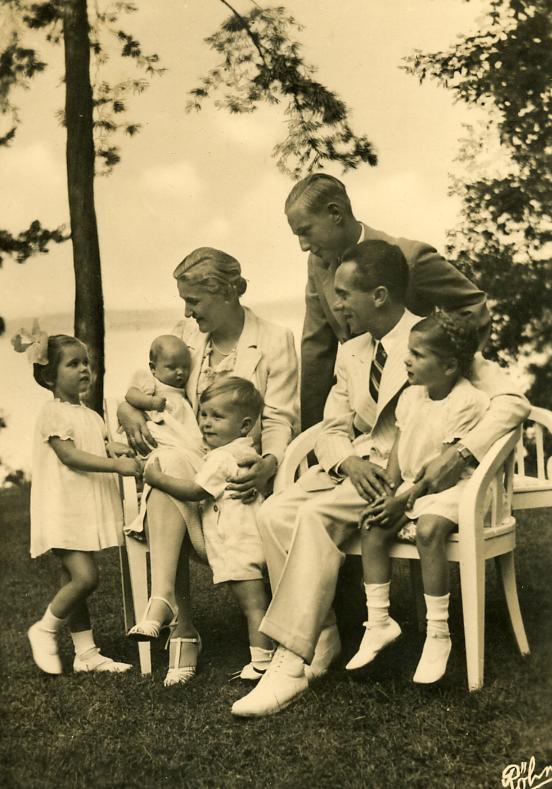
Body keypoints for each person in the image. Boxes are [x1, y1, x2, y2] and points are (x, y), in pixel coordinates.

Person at [231, 239, 529, 717]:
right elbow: (332, 426)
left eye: (345, 293)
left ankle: (289, 661)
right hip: (358, 469)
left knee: (312, 517)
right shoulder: (351, 352)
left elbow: (512, 402)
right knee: (272, 512)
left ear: (381, 296)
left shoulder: (436, 337)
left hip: (404, 473)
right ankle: (323, 634)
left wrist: (460, 453)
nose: (336, 303)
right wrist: (346, 460)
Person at [118, 247, 298, 686]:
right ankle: (177, 621)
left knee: (165, 476)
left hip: (236, 475)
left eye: (194, 301)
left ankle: (173, 618)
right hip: (191, 464)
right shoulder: (186, 335)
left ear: (226, 295)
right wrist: (130, 414)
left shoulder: (273, 339)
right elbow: (146, 387)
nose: (186, 311)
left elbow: (278, 418)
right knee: (168, 465)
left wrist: (269, 464)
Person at [285, 172, 491, 497]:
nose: (303, 246)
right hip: (358, 421)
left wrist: (449, 376)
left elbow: (472, 305)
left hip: (419, 423)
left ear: (335, 214)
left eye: (306, 231)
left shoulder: (410, 257)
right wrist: (320, 445)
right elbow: (317, 348)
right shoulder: (319, 265)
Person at [347, 312, 489, 684]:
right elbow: (397, 450)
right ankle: (378, 622)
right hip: (413, 486)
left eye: (418, 355)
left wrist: (405, 497)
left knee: (428, 530)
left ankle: (438, 633)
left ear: (448, 365)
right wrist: (388, 493)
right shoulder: (411, 397)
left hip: (456, 489)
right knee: (373, 525)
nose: (407, 360)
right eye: (407, 352)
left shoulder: (466, 401)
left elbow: (444, 472)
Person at [11, 327, 142, 675]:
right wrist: (116, 465)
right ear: (50, 376)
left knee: (76, 580)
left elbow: (99, 446)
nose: (84, 369)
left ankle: (86, 653)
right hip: (62, 510)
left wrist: (119, 449)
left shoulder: (90, 414)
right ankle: (44, 629)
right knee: (86, 578)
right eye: (73, 364)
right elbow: (70, 456)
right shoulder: (53, 414)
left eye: (86, 362)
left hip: (81, 508)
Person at [144, 377, 274, 682]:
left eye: (218, 416)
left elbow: (195, 491)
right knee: (257, 602)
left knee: (253, 605)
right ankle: (265, 657)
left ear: (243, 426)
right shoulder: (243, 451)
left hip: (237, 543)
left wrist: (157, 478)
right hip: (252, 538)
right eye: (203, 414)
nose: (206, 423)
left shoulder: (222, 457)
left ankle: (262, 663)